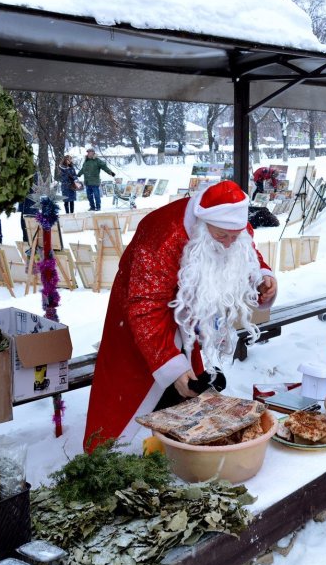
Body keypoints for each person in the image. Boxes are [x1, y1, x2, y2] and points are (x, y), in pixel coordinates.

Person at [83, 180, 278, 452]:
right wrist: (169, 364)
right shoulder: (162, 234)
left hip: (185, 316)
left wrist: (262, 278)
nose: (228, 243)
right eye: (222, 237)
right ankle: (116, 454)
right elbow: (145, 305)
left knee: (187, 385)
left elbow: (245, 254)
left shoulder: (229, 227)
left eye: (234, 236)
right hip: (139, 312)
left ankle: (177, 444)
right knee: (130, 387)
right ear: (202, 225)